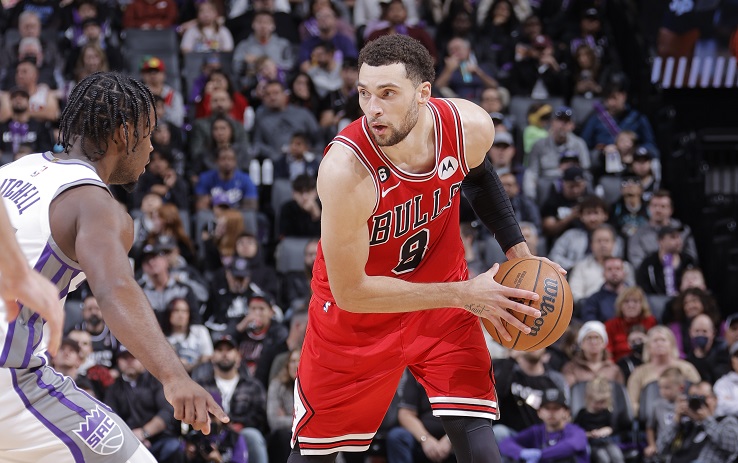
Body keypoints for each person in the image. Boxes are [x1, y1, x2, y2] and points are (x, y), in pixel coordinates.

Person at [289, 34, 563, 463]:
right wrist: (464, 295)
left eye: (387, 93)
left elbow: (477, 176)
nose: (372, 108)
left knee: (477, 439)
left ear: (423, 94)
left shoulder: (469, 126)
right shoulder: (345, 171)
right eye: (364, 93)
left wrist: (520, 255)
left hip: (444, 301)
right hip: (357, 318)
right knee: (317, 456)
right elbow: (351, 292)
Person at [0, 72, 227, 463]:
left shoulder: (17, 169)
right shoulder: (98, 205)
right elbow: (114, 290)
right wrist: (174, 377)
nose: (152, 147)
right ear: (124, 134)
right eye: (149, 133)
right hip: (12, 380)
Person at [498, 388, 589, 463]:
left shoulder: (575, 431)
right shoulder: (536, 431)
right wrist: (522, 453)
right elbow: (505, 444)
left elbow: (572, 445)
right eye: (547, 408)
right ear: (539, 412)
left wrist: (540, 455)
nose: (551, 413)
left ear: (566, 412)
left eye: (556, 408)